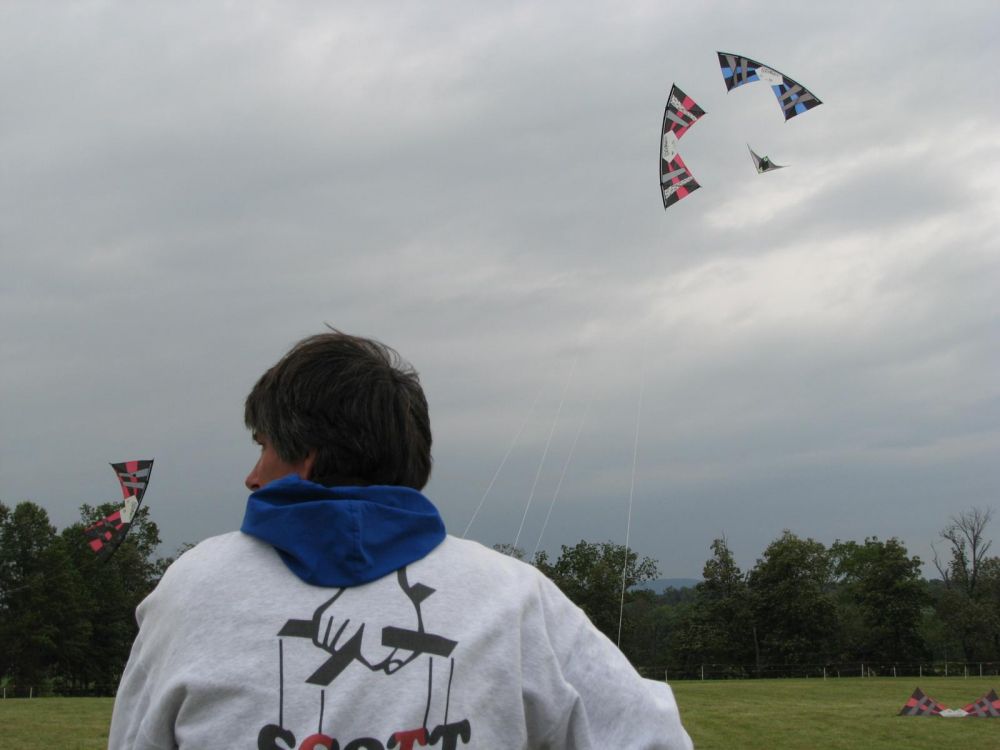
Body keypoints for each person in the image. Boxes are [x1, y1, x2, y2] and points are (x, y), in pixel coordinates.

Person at [108, 331, 693, 749]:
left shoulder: (193, 589)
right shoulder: (515, 597)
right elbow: (651, 737)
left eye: (263, 446)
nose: (252, 476)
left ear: (306, 455)